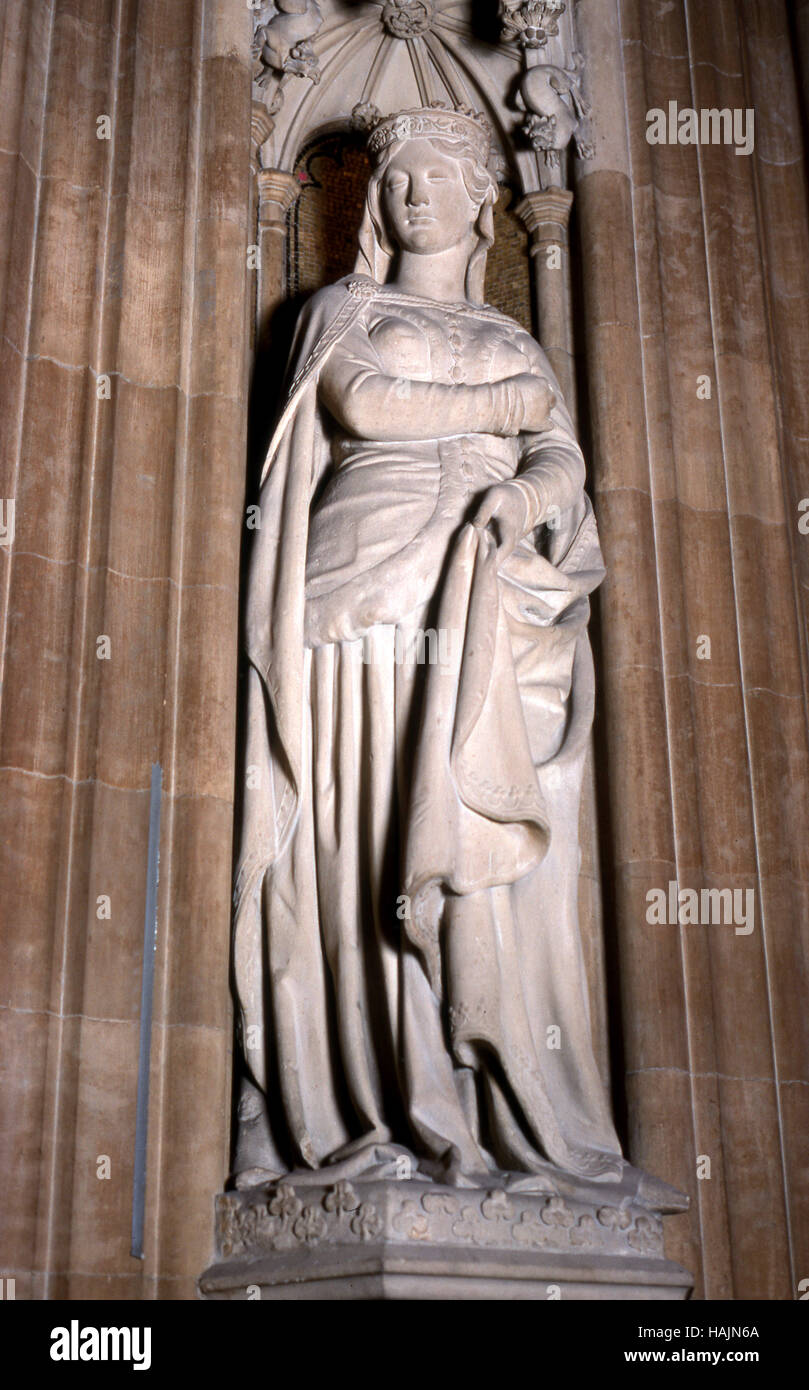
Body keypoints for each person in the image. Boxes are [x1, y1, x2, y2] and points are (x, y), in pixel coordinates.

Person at [232, 104, 637, 1199]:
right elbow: (362, 403)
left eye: (433, 176)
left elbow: (562, 460)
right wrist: (502, 408)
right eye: (394, 176)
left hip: (477, 602)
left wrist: (522, 485)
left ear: (480, 202)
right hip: (355, 597)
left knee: (466, 855)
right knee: (362, 841)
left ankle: (477, 1106)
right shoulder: (339, 309)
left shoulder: (516, 337)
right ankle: (380, 1108)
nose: (409, 192)